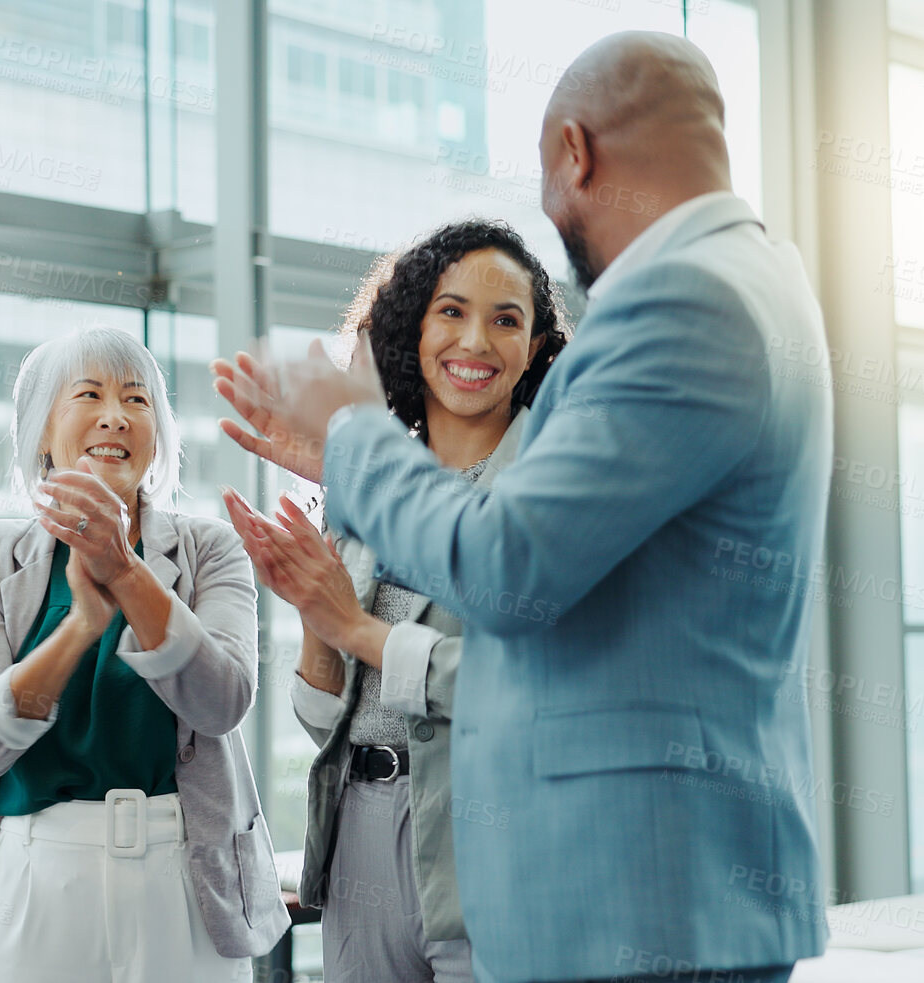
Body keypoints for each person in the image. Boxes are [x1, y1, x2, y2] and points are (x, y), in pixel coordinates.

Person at [214, 32, 831, 983]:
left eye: (508, 315)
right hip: (635, 888)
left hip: (637, 893)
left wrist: (352, 433)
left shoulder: (682, 300)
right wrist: (349, 481)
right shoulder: (756, 278)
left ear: (573, 153)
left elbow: (508, 570)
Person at [223, 219, 565, 983]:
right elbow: (324, 715)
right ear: (411, 328)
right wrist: (319, 617)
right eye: (449, 311)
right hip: (362, 823)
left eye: (505, 319)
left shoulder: (553, 488)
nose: (474, 340)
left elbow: (534, 685)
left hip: (493, 821)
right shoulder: (368, 486)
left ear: (537, 346)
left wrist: (353, 624)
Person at [0, 327, 288, 982]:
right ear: (41, 431)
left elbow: (222, 700)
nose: (116, 415)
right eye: (89, 394)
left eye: (136, 400)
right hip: (34, 876)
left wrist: (125, 571)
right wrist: (80, 626)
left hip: (183, 875)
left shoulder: (209, 550)